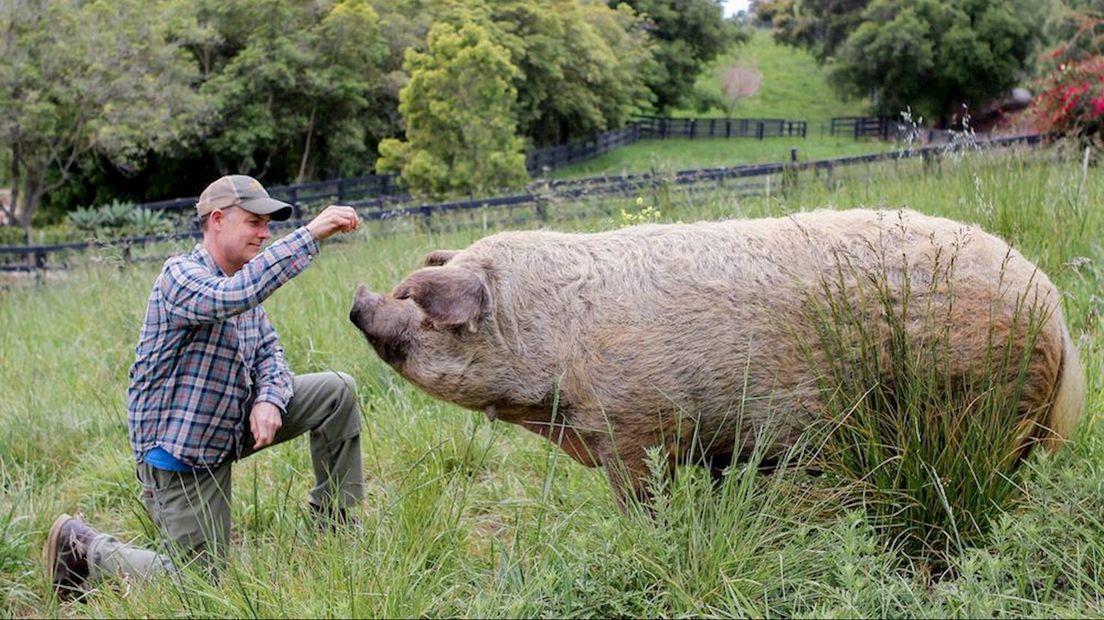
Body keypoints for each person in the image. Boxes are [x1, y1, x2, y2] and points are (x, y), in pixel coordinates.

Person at [43, 174, 363, 598]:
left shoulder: (243, 280)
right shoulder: (181, 277)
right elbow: (233, 296)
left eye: (268, 224)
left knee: (337, 390)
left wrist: (268, 399)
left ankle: (336, 531)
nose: (265, 233)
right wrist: (310, 234)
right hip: (183, 453)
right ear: (217, 220)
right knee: (199, 584)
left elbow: (270, 353)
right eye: (254, 222)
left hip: (229, 427)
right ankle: (85, 548)